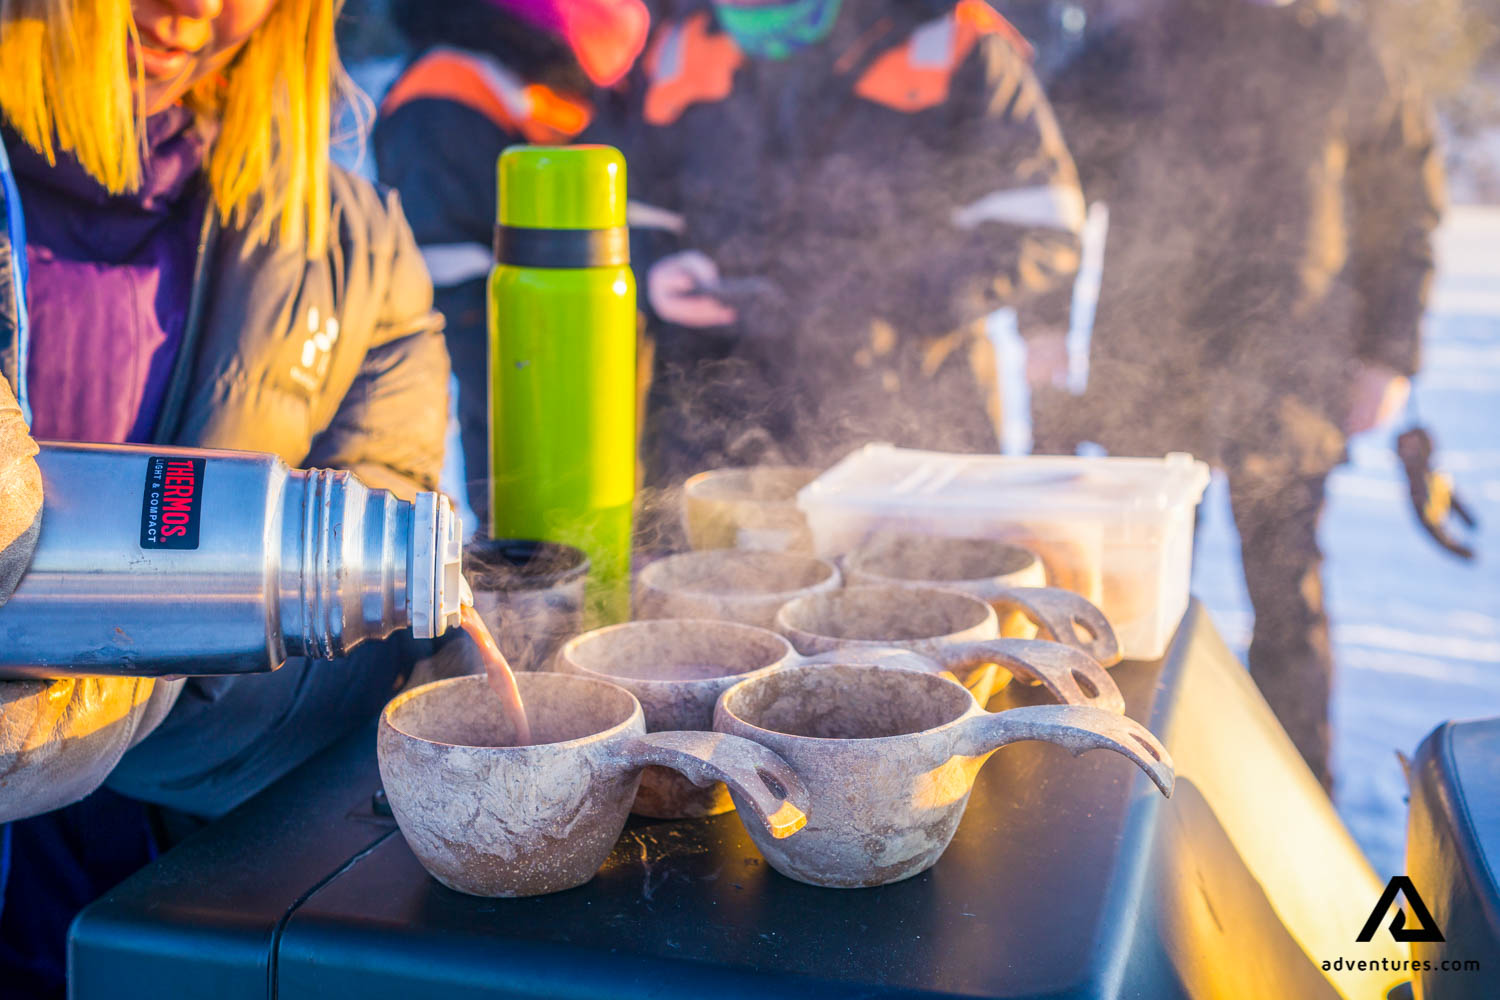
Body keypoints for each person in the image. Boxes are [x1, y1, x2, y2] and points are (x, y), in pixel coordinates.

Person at [0, 0, 450, 993]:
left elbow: (361, 614)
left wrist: (133, 691)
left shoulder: (347, 248)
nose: (198, 8)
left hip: (194, 892)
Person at [1032, 0, 1443, 786]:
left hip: (1292, 365)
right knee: (1128, 605)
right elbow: (1051, 182)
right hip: (1149, 359)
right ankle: (1113, 788)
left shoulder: (1339, 48)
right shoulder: (1129, 47)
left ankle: (1300, 797)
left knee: (1288, 604)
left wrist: (1388, 354)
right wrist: (1044, 323)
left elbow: (1406, 210)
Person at [625, 0, 1086, 486]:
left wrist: (875, 290)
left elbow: (1042, 229)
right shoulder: (673, 42)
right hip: (708, 428)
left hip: (903, 414)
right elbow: (622, 210)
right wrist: (656, 269)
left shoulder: (952, 38)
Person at [373, 0, 650, 525]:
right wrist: (509, 322)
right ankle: (520, 562)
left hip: (559, 319)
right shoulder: (445, 90)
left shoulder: (514, 76)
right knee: (511, 448)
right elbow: (440, 242)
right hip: (489, 322)